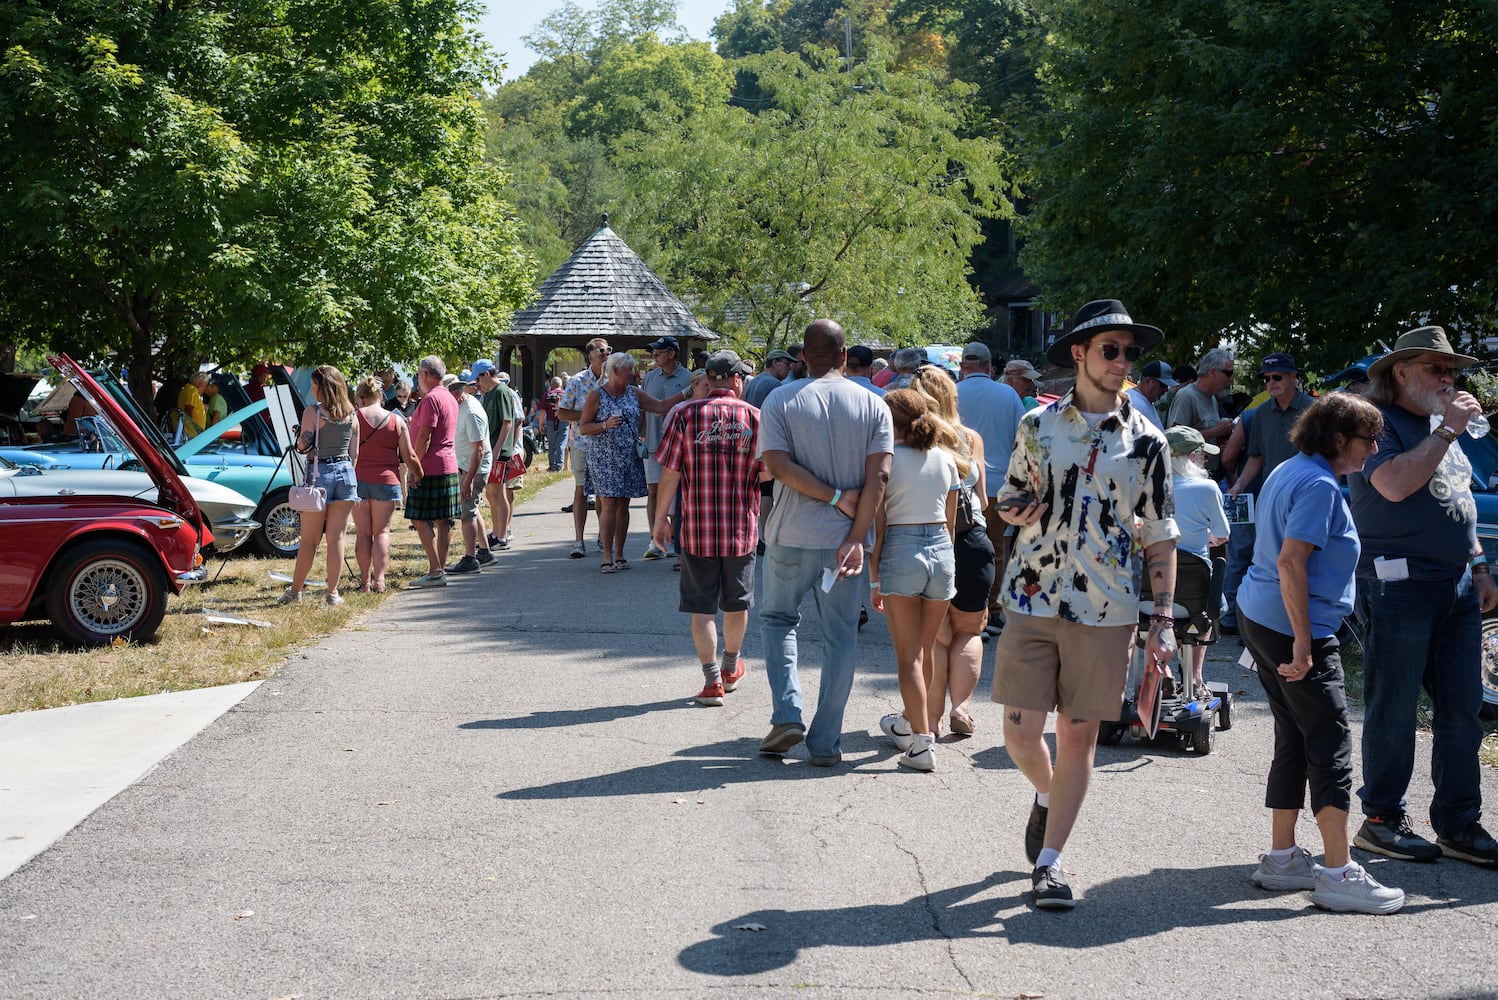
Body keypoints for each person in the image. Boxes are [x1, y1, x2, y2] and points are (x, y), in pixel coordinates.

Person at [993, 298, 1177, 910]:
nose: (1123, 362)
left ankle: (1051, 863)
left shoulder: (1149, 443)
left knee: (1077, 736)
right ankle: (1047, 796)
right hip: (1031, 595)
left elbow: (1160, 532)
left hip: (1106, 608)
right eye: (1110, 350)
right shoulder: (1037, 427)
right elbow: (1009, 495)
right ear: (1080, 354)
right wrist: (1014, 508)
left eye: (1129, 352)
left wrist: (1164, 619)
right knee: (1020, 736)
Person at [1236, 392, 1405, 913]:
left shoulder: (1293, 468)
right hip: (1292, 625)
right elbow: (1292, 562)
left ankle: (1283, 859)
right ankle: (1338, 872)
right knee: (1330, 741)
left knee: (1294, 735)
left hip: (1258, 614)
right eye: (1368, 439)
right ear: (1337, 439)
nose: (1375, 448)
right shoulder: (1318, 485)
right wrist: (1306, 643)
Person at [1348, 325, 1498, 866]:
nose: (1449, 378)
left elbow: (1460, 500)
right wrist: (1449, 432)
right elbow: (1392, 485)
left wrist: (1479, 567)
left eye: (1453, 370)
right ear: (1402, 373)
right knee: (1395, 704)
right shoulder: (1375, 423)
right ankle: (1381, 819)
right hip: (1397, 581)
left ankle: (1459, 823)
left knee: (1463, 707)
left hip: (1455, 582)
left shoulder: (1439, 425)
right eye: (1437, 369)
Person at [756, 319, 893, 765]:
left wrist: (832, 496)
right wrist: (857, 536)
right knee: (840, 639)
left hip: (791, 536)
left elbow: (775, 464)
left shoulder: (781, 399)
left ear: (802, 356)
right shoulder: (875, 405)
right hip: (845, 546)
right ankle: (825, 742)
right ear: (843, 353)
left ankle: (787, 712)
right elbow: (880, 478)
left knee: (778, 619)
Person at [651, 350, 763, 706]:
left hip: (697, 528)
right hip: (741, 528)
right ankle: (731, 666)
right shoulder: (754, 417)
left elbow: (670, 471)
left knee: (702, 609)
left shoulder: (684, 415)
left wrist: (660, 518)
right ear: (735, 380)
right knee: (737, 603)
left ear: (709, 379)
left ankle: (712, 681)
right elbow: (770, 471)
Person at [871, 389, 960, 771]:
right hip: (942, 549)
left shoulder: (887, 463)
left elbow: (880, 524)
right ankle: (910, 723)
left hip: (902, 548)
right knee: (925, 651)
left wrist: (874, 578)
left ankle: (922, 744)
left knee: (908, 658)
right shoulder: (946, 460)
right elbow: (952, 523)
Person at [914, 367, 991, 738]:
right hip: (973, 541)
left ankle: (931, 719)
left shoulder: (913, 439)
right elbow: (984, 500)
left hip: (927, 538)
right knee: (969, 630)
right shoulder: (970, 439)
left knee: (937, 637)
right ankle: (961, 707)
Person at [1223, 352, 1314, 634]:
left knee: (1298, 562)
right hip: (1271, 498)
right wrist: (1238, 484)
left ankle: (1298, 625)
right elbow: (1256, 457)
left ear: (1293, 378)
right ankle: (1261, 624)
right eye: (1266, 378)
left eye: (1277, 377)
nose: (1270, 383)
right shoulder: (1261, 413)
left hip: (1306, 498)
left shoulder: (1314, 410)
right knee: (1267, 560)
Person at [579, 352, 682, 573]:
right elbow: (584, 427)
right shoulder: (597, 395)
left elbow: (662, 407)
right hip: (604, 458)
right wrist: (605, 425)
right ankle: (607, 556)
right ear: (615, 371)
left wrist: (685, 393)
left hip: (628, 457)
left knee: (623, 504)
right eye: (629, 370)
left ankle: (620, 554)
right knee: (609, 504)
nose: (634, 374)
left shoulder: (633, 393)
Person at [955, 340, 1027, 628]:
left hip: (957, 485)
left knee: (958, 547)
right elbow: (1023, 440)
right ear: (989, 366)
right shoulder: (1008, 394)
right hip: (998, 485)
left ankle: (962, 609)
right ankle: (993, 611)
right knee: (996, 550)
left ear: (962, 367)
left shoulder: (954, 393)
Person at [279, 365, 359, 606]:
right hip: (345, 474)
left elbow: (304, 445)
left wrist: (300, 438)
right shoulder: (352, 414)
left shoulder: (312, 413)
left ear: (323, 389)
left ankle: (295, 592)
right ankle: (332, 593)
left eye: (314, 387)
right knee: (337, 538)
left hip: (319, 474)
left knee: (309, 540)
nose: (312, 392)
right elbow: (354, 454)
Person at [1164, 425, 1230, 694]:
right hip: (1193, 592)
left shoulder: (1147, 486)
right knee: (1209, 609)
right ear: (1191, 457)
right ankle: (1194, 676)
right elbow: (1222, 535)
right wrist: (1205, 536)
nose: (1206, 460)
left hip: (1149, 593)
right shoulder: (1206, 488)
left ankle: (1163, 671)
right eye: (1203, 455)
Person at [352, 376, 421, 593]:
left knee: (363, 534)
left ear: (360, 398)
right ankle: (379, 580)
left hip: (359, 480)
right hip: (387, 480)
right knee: (382, 532)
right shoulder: (396, 420)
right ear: (381, 396)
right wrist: (418, 474)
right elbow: (408, 455)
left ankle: (364, 582)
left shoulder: (353, 418)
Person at [406, 355, 461, 588]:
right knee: (443, 520)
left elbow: (424, 436)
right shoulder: (449, 396)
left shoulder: (430, 399)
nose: (418, 378)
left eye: (419, 374)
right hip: (448, 463)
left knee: (419, 518)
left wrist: (414, 468)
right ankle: (438, 568)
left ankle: (436, 569)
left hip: (430, 465)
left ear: (425, 375)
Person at [641, 336, 693, 560]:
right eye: (654, 352)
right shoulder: (649, 377)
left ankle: (678, 541)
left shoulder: (691, 379)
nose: (654, 356)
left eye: (659, 352)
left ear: (672, 354)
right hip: (653, 444)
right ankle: (656, 540)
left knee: (680, 494)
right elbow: (643, 410)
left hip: (680, 447)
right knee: (654, 492)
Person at [557, 339, 610, 558]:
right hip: (581, 443)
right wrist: (588, 416)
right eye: (602, 351)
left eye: (609, 350)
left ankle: (602, 536)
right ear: (591, 356)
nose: (606, 354)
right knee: (581, 490)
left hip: (607, 444)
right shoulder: (578, 381)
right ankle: (578, 541)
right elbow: (562, 413)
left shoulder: (613, 380)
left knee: (602, 494)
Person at [444, 371, 493, 575]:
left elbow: (479, 449)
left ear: (455, 393)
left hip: (474, 468)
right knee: (472, 509)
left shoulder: (470, 412)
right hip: (465, 464)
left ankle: (470, 559)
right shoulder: (462, 405)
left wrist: (469, 479)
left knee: (467, 513)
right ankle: (485, 552)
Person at [473, 361, 517, 553]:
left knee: (499, 493)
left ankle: (502, 535)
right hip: (490, 450)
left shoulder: (502, 391)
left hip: (499, 451)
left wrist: (498, 448)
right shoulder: (489, 393)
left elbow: (507, 422)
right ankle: (496, 532)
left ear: (486, 374)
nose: (477, 382)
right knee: (491, 494)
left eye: (478, 378)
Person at [1167, 348, 1235, 466]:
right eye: (1228, 373)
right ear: (1212, 372)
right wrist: (1214, 432)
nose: (1231, 379)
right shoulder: (1186, 396)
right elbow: (1175, 441)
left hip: (1208, 473)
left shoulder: (1212, 398)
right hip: (1189, 474)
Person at [1126, 360, 1174, 431]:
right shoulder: (1134, 403)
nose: (1166, 390)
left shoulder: (1145, 400)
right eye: (1163, 385)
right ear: (1148, 381)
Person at [175, 372, 209, 440]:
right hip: (191, 434)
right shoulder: (193, 390)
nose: (205, 388)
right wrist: (192, 427)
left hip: (189, 432)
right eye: (205, 385)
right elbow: (188, 408)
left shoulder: (187, 389)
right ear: (200, 383)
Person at [543, 376, 565, 471]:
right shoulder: (566, 394)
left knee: (552, 444)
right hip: (564, 421)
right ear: (561, 385)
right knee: (561, 443)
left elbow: (543, 411)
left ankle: (552, 465)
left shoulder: (547, 395)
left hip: (550, 421)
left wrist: (540, 424)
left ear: (551, 385)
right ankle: (559, 465)